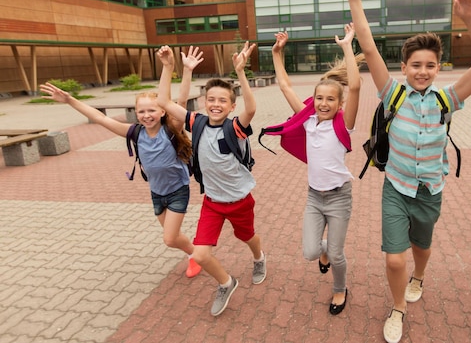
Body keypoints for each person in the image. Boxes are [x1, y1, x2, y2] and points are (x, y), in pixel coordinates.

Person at [337, 0, 471, 342]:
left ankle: (420, 275)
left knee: (421, 246)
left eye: (429, 65)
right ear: (404, 67)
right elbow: (369, 46)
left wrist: (470, 17)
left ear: (437, 68)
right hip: (396, 186)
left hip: (430, 189)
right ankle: (397, 308)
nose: (422, 71)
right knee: (395, 256)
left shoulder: (447, 99)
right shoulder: (393, 94)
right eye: (415, 65)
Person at [39, 45, 205, 279]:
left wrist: (173, 68)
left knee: (169, 239)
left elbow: (180, 101)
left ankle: (197, 254)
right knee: (174, 237)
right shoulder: (134, 133)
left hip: (178, 189)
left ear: (162, 112)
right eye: (141, 111)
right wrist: (70, 100)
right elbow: (99, 117)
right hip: (157, 192)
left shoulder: (171, 129)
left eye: (152, 110)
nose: (146, 115)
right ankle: (194, 253)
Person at [157, 41, 266, 317]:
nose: (216, 104)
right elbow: (163, 103)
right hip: (213, 203)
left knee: (248, 237)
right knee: (201, 255)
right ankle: (227, 283)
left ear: (231, 106)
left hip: (240, 201)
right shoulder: (197, 122)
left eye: (222, 101)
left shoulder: (236, 128)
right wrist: (172, 68)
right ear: (205, 103)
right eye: (211, 100)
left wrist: (240, 72)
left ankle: (259, 258)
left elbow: (251, 109)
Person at [271, 24, 361, 315]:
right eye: (319, 98)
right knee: (312, 252)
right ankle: (324, 249)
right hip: (314, 198)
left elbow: (356, 86)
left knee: (337, 254)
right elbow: (285, 86)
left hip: (339, 198)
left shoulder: (343, 125)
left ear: (339, 104)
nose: (323, 103)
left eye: (330, 99)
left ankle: (339, 289)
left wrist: (347, 47)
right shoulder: (308, 122)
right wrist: (277, 53)